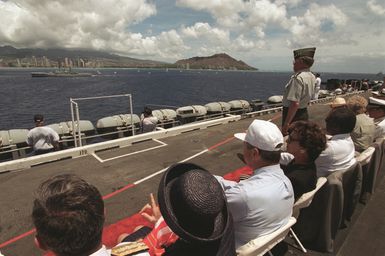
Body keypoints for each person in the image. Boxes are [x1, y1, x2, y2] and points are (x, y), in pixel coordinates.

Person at [119, 163, 236, 256]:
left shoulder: (176, 251)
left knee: (124, 237)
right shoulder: (225, 223)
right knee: (139, 229)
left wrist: (161, 224)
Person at [215, 119, 294, 248]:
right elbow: (249, 192)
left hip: (232, 246)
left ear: (254, 153)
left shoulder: (242, 195)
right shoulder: (286, 181)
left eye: (244, 145)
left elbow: (209, 213)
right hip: (265, 242)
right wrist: (218, 181)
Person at [32, 174, 151, 256]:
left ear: (40, 244)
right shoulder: (141, 253)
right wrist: (159, 221)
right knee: (132, 233)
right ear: (104, 213)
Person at [280, 121, 327, 200]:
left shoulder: (294, 180)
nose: (287, 141)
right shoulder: (307, 165)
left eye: (291, 139)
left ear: (303, 149)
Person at [282, 47, 316, 135]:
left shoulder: (298, 78)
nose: (293, 63)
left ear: (301, 62)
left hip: (294, 115)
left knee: (291, 141)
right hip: (304, 113)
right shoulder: (312, 76)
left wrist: (287, 123)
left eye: (295, 61)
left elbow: (294, 103)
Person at [315, 107, 357, 177]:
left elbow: (300, 157)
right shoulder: (348, 141)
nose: (325, 123)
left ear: (335, 127)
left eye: (327, 120)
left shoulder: (329, 149)